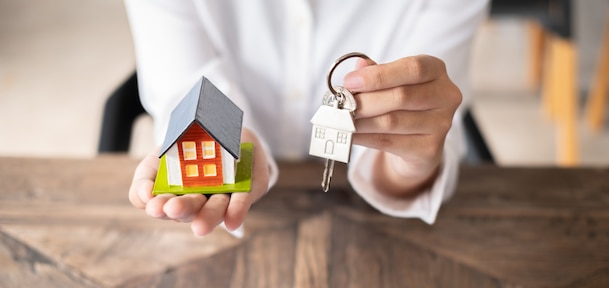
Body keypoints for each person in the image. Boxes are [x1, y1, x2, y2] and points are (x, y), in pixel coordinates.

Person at [125, 0, 490, 237]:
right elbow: (188, 90)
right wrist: (233, 136)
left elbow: (422, 125)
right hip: (238, 237)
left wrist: (411, 163)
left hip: (371, 230)